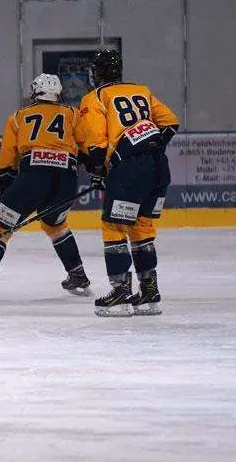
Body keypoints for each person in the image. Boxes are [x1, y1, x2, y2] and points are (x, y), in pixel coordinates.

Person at [0, 74, 92, 300]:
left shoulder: (19, 116)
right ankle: (77, 274)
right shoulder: (72, 113)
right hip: (66, 182)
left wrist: (5, 181)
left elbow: (8, 154)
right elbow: (87, 146)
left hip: (33, 177)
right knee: (55, 224)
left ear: (35, 92)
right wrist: (96, 169)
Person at [79, 49, 179, 317]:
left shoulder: (96, 97)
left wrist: (100, 169)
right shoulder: (141, 90)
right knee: (141, 225)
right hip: (159, 164)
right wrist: (148, 145)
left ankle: (121, 292)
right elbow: (170, 122)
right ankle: (149, 292)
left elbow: (96, 143)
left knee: (113, 225)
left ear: (98, 72)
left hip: (131, 168)